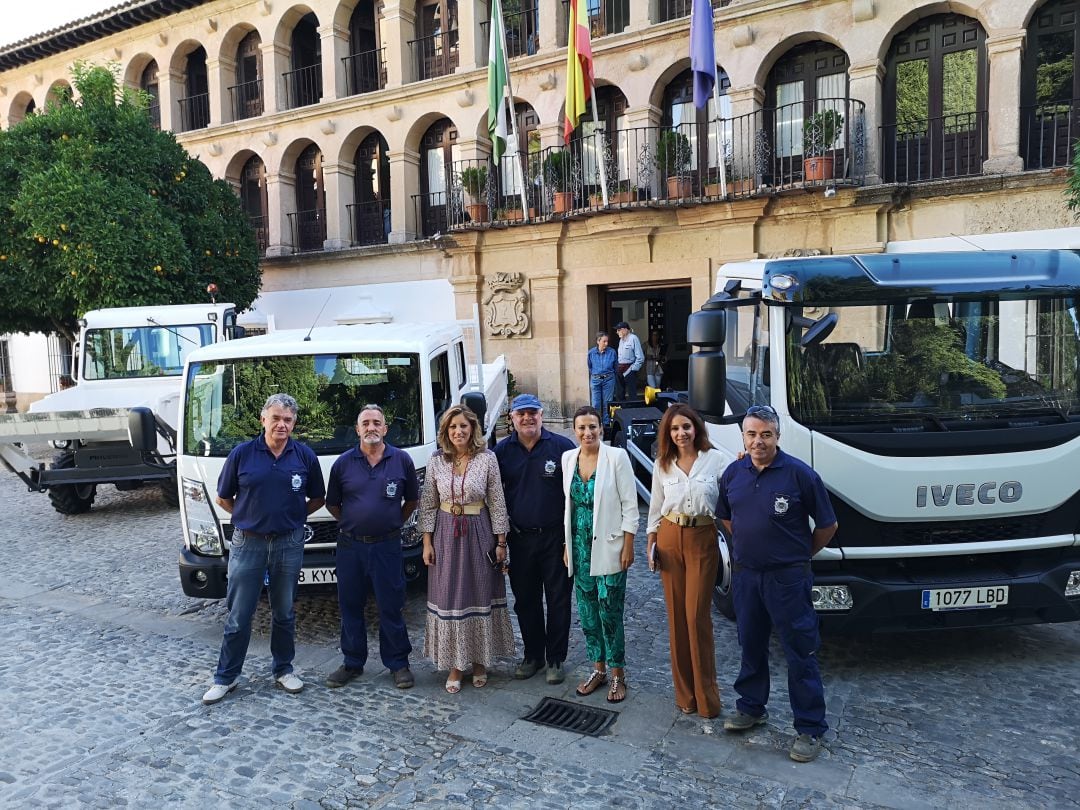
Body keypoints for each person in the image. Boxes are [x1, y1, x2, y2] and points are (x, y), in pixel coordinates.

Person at [716, 405, 838, 762]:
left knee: (800, 651)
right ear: (743, 436)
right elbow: (726, 517)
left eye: (766, 434)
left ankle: (810, 728)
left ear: (777, 437)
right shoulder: (733, 473)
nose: (758, 441)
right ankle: (751, 707)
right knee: (750, 644)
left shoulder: (800, 475)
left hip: (788, 580)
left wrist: (799, 555)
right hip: (747, 577)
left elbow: (828, 526)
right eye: (752, 434)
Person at [202, 393, 326, 705]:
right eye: (276, 418)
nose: (281, 424)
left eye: (287, 419)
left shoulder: (304, 456)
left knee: (284, 611)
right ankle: (225, 677)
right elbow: (223, 498)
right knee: (239, 615)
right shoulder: (242, 454)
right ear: (263, 420)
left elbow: (317, 498)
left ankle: (283, 669)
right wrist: (250, 517)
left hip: (289, 543)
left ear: (294, 423)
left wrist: (291, 519)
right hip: (249, 543)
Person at [419, 405, 514, 693]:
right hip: (446, 533)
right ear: (445, 432)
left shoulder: (487, 459)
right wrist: (427, 542)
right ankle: (456, 665)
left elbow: (497, 500)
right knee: (451, 597)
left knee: (480, 593)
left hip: (479, 531)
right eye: (452, 427)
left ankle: (481, 662)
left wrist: (500, 542)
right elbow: (428, 504)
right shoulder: (436, 460)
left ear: (472, 428)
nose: (458, 431)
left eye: (463, 426)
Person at [324, 404, 419, 690]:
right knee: (350, 604)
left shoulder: (401, 461)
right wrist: (354, 524)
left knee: (391, 605)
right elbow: (332, 504)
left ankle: (399, 664)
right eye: (365, 423)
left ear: (385, 428)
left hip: (387, 546)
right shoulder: (343, 463)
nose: (371, 428)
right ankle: (352, 662)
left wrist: (390, 524)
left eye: (377, 422)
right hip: (350, 547)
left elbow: (412, 501)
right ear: (357, 429)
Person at [645, 404, 724, 718]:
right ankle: (685, 696)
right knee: (677, 618)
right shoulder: (663, 464)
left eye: (686, 427)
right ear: (668, 433)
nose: (681, 434)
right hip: (669, 537)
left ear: (697, 428)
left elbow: (734, 490)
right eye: (674, 429)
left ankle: (707, 698)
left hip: (703, 538)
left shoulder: (717, 460)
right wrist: (650, 543)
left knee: (696, 617)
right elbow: (655, 506)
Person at [493, 393, 576, 684]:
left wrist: (571, 538)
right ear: (512, 419)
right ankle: (533, 656)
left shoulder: (563, 448)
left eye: (532, 413)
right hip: (520, 539)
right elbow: (495, 496)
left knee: (558, 600)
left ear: (541, 415)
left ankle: (555, 659)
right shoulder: (501, 452)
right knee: (525, 601)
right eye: (521, 414)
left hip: (555, 538)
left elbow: (574, 496)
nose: (527, 418)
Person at [561, 406, 638, 703]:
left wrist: (629, 545)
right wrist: (567, 544)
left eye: (592, 427)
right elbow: (567, 507)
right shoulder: (569, 459)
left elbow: (630, 506)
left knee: (610, 613)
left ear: (601, 428)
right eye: (581, 428)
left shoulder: (616, 458)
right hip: (580, 550)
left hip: (610, 548)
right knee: (588, 614)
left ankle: (618, 675)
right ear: (575, 430)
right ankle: (598, 669)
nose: (587, 433)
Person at [587, 331, 618, 427]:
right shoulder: (591, 353)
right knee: (596, 404)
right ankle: (596, 424)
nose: (606, 344)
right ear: (598, 341)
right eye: (604, 341)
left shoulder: (612, 352)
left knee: (607, 403)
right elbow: (590, 366)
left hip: (609, 379)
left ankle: (606, 424)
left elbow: (615, 366)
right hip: (595, 380)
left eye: (607, 341)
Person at [614, 321, 644, 400]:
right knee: (620, 393)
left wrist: (633, 369)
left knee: (632, 394)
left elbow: (640, 357)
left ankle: (633, 411)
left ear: (625, 330)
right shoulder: (621, 340)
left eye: (618, 330)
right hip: (620, 369)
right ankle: (622, 410)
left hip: (630, 369)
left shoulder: (633, 338)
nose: (617, 332)